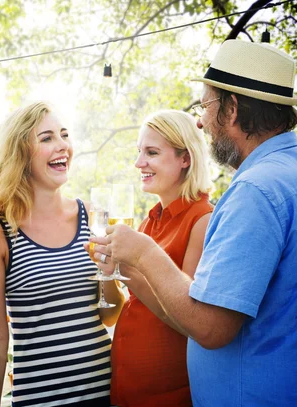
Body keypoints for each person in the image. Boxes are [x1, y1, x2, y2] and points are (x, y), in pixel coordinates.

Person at [93, 40, 297, 405]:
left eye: (206, 105)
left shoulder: (255, 190)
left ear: (231, 110)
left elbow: (211, 327)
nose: (200, 121)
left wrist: (144, 254)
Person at [0, 101, 125, 407]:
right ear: (20, 154)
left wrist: (108, 274)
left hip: (104, 394)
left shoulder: (91, 216)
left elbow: (110, 314)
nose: (63, 146)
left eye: (64, 135)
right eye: (47, 138)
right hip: (37, 399)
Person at [94, 110, 213, 406]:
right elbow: (128, 306)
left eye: (152, 152)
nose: (138, 163)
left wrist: (131, 268)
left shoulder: (202, 220)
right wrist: (108, 272)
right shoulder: (149, 223)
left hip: (168, 393)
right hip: (125, 386)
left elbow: (191, 321)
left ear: (185, 158)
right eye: (139, 152)